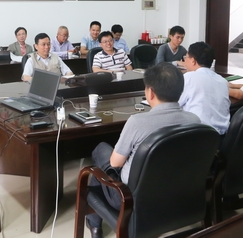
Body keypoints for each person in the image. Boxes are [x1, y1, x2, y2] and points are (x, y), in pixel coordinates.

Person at [84, 63, 200, 238]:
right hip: (178, 192)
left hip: (132, 197)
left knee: (101, 152)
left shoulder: (137, 122)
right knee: (99, 171)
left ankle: (94, 225)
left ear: (150, 92)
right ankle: (94, 223)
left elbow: (115, 163)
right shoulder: (194, 120)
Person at [178, 42, 230, 135]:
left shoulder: (189, 77)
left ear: (193, 61)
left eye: (186, 57)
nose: (184, 61)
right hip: (221, 135)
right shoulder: (222, 80)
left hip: (197, 135)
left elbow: (175, 104)